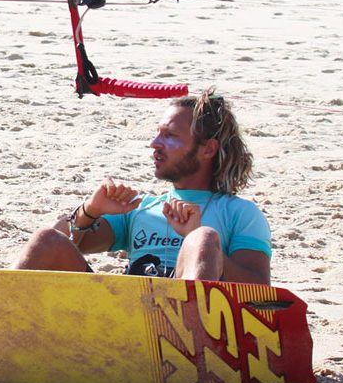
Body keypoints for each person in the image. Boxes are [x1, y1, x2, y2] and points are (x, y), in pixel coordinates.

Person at [14, 90, 271, 284]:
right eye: (158, 133)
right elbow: (64, 244)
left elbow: (259, 286)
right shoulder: (142, 208)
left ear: (208, 149)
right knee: (45, 239)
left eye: (169, 136)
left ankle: (190, 340)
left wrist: (197, 240)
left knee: (203, 239)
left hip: (188, 322)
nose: (154, 143)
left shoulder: (240, 213)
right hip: (127, 313)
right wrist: (90, 210)